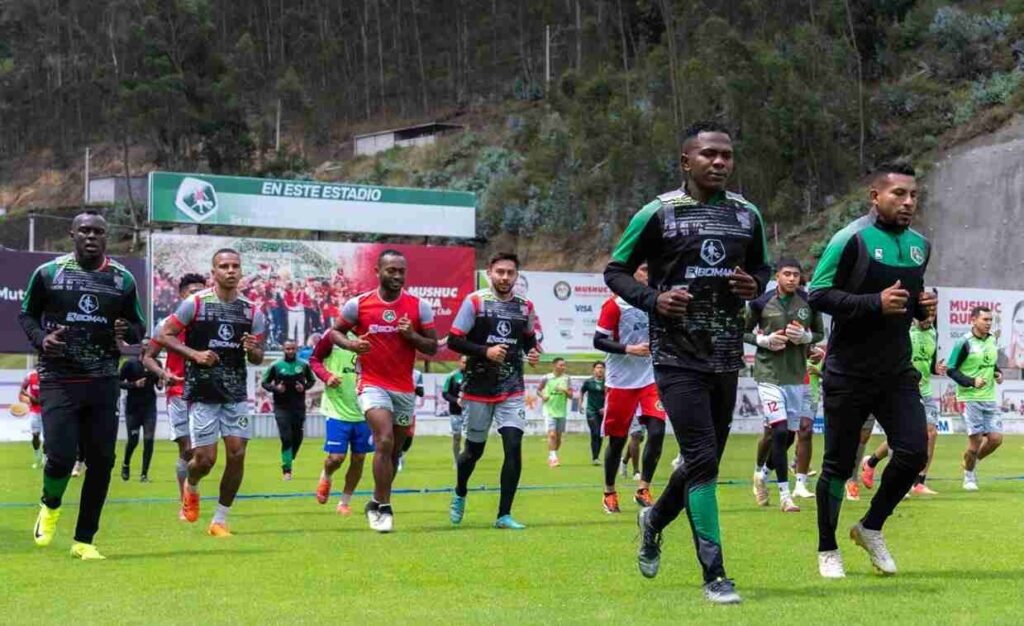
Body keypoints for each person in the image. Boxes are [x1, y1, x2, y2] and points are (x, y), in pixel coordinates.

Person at [604, 121, 770, 604]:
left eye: (727, 155)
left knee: (704, 460)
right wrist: (654, 299)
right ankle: (715, 574)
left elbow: (760, 268)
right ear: (686, 162)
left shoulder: (746, 215)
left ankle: (653, 521)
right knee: (702, 461)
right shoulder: (658, 213)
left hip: (724, 355)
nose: (719, 162)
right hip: (676, 357)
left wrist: (754, 285)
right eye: (709, 155)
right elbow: (615, 271)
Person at [808, 162, 936, 579]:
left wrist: (921, 309)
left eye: (913, 195)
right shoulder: (850, 239)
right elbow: (818, 294)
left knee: (915, 451)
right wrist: (872, 304)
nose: (908, 202)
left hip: (896, 371)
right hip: (847, 371)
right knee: (838, 466)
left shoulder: (920, 245)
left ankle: (871, 527)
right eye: (899, 194)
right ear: (875, 196)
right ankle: (827, 549)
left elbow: (909, 299)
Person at [19, 211, 145, 560]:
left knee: (102, 461)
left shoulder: (122, 279)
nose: (92, 236)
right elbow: (26, 315)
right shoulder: (48, 274)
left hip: (103, 379)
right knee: (59, 457)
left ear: (106, 237)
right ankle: (51, 504)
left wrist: (128, 333)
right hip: (59, 378)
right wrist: (43, 339)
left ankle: (84, 541)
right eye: (85, 231)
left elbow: (138, 327)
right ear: (72, 233)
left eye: (99, 232)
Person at [327, 249, 438, 533]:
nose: (398, 276)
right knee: (384, 441)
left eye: (402, 271)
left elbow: (432, 346)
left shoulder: (418, 307)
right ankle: (386, 510)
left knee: (394, 452)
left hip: (404, 388)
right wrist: (352, 345)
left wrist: (411, 336)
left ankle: (376, 500)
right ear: (377, 271)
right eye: (391, 270)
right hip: (372, 384)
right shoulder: (359, 305)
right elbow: (335, 333)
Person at [158, 248, 266, 537]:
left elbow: (258, 356)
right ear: (213, 272)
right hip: (203, 393)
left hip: (235, 394)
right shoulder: (195, 304)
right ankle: (191, 487)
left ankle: (220, 519)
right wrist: (194, 354)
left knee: (238, 453)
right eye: (224, 266)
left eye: (235, 266)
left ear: (241, 272)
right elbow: (164, 335)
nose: (230, 271)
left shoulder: (252, 312)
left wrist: (253, 349)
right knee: (204, 460)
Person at [447, 252, 541, 530]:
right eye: (500, 272)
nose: (504, 277)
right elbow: (453, 340)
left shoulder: (525, 306)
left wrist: (533, 353)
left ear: (516, 275)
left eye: (510, 273)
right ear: (490, 273)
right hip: (478, 388)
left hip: (511, 388)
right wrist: (485, 351)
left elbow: (528, 341)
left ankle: (504, 515)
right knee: (472, 453)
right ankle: (460, 491)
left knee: (513, 446)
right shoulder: (475, 301)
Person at [744, 258, 824, 511]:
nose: (792, 279)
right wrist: (764, 340)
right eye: (787, 274)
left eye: (796, 275)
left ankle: (762, 475)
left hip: (796, 375)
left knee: (789, 436)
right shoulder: (760, 303)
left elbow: (820, 334)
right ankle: (785, 495)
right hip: (769, 374)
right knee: (778, 431)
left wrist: (807, 337)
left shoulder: (810, 302)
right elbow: (742, 331)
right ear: (777, 276)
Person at [595, 263, 668, 512]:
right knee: (617, 441)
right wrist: (629, 349)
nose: (649, 274)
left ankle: (643, 488)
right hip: (620, 382)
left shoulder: (656, 301)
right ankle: (609, 492)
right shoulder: (614, 305)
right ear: (632, 274)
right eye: (645, 269)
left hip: (649, 378)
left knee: (657, 430)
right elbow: (598, 340)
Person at [142, 272, 207, 519]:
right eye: (192, 292)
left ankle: (192, 488)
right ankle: (186, 502)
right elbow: (148, 357)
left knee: (204, 456)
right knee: (187, 449)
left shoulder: (210, 322)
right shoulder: (167, 324)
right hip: (178, 392)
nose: (197, 296)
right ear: (182, 295)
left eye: (202, 291)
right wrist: (162, 373)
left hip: (206, 394)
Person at [861, 314, 946, 496]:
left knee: (931, 433)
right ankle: (875, 464)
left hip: (925, 390)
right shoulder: (902, 331)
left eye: (932, 315)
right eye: (925, 314)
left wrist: (934, 369)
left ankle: (919, 481)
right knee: (902, 436)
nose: (929, 319)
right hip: (904, 390)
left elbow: (926, 362)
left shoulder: (932, 332)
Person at [310, 332, 374, 516]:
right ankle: (326, 475)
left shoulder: (371, 334)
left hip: (365, 409)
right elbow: (314, 359)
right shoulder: (334, 335)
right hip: (337, 409)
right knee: (336, 458)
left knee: (359, 458)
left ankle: (344, 502)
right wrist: (326, 376)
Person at [947, 306, 1003, 491]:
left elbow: (991, 362)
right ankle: (969, 477)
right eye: (984, 320)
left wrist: (998, 373)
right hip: (969, 398)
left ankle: (970, 463)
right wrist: (971, 381)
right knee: (975, 441)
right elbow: (951, 369)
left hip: (989, 397)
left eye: (990, 320)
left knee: (995, 439)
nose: (988, 323)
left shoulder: (992, 340)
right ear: (973, 320)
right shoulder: (963, 342)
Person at [261, 339, 316, 480]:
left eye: (293, 349)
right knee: (286, 438)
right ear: (283, 349)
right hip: (281, 408)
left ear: (296, 349)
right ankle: (287, 470)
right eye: (287, 349)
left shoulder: (303, 365)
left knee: (297, 438)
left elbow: (311, 381)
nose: (290, 351)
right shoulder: (276, 365)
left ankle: (289, 458)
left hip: (298, 407)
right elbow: (264, 382)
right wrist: (276, 388)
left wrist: (303, 387)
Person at [119, 346, 160, 483]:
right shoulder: (130, 364)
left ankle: (144, 475)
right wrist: (134, 384)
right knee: (133, 440)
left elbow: (159, 385)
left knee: (149, 440)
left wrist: (161, 381)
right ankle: (126, 464)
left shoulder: (157, 365)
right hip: (133, 408)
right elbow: (117, 382)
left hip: (149, 408)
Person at [538, 358, 573, 467]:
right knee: (552, 434)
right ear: (554, 366)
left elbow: (571, 395)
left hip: (561, 411)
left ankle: (553, 454)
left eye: (564, 365)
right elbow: (539, 390)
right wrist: (543, 395)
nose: (563, 367)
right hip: (549, 410)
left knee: (558, 438)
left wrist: (564, 390)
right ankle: (553, 458)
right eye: (561, 365)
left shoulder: (567, 379)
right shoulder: (546, 378)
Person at [396, 369, 425, 473]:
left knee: (408, 437)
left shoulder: (417, 374)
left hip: (410, 410)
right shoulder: (395, 370)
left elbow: (421, 393)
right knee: (396, 435)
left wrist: (410, 386)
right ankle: (397, 458)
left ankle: (401, 455)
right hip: (394, 409)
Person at [579, 362, 607, 466]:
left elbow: (611, 396)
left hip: (603, 411)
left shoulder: (607, 383)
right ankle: (595, 458)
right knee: (595, 432)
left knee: (600, 434)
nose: (599, 370)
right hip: (591, 410)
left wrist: (606, 407)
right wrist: (580, 403)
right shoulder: (588, 382)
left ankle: (597, 456)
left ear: (604, 370)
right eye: (597, 368)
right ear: (594, 370)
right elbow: (582, 391)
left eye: (601, 368)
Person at [442, 356, 468, 466]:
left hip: (470, 412)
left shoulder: (472, 376)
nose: (465, 364)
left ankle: (467, 459)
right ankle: (456, 460)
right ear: (458, 362)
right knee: (457, 437)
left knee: (470, 437)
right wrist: (456, 400)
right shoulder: (452, 376)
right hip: (455, 412)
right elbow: (445, 393)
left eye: (467, 362)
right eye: (463, 362)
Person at [19, 368, 43, 468]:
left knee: (49, 438)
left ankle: (46, 460)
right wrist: (30, 397)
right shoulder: (30, 376)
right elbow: (22, 390)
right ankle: (37, 458)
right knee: (35, 435)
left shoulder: (50, 375)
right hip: (35, 411)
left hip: (48, 410)